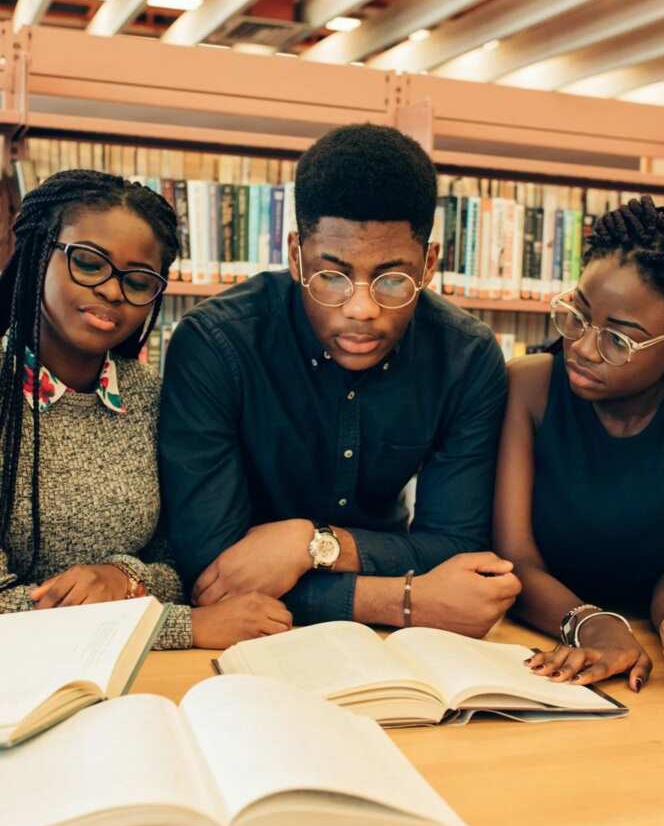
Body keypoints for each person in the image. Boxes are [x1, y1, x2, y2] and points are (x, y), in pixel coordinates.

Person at [159, 124, 520, 636]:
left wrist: (311, 545)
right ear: (295, 254)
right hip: (252, 632)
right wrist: (402, 600)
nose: (362, 309)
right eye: (332, 275)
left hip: (390, 642)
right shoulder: (215, 345)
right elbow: (213, 572)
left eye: (393, 279)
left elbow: (457, 544)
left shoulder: (467, 355)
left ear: (430, 264)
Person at [0, 170, 288, 649]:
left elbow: (181, 565)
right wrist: (183, 627)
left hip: (138, 675)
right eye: (89, 264)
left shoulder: (152, 397)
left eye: (138, 280)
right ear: (36, 252)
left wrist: (122, 577)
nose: (113, 291)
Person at [493, 196, 664, 690]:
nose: (580, 346)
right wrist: (591, 624)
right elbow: (516, 560)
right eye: (577, 316)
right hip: (537, 634)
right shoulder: (528, 386)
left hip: (645, 648)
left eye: (618, 341)